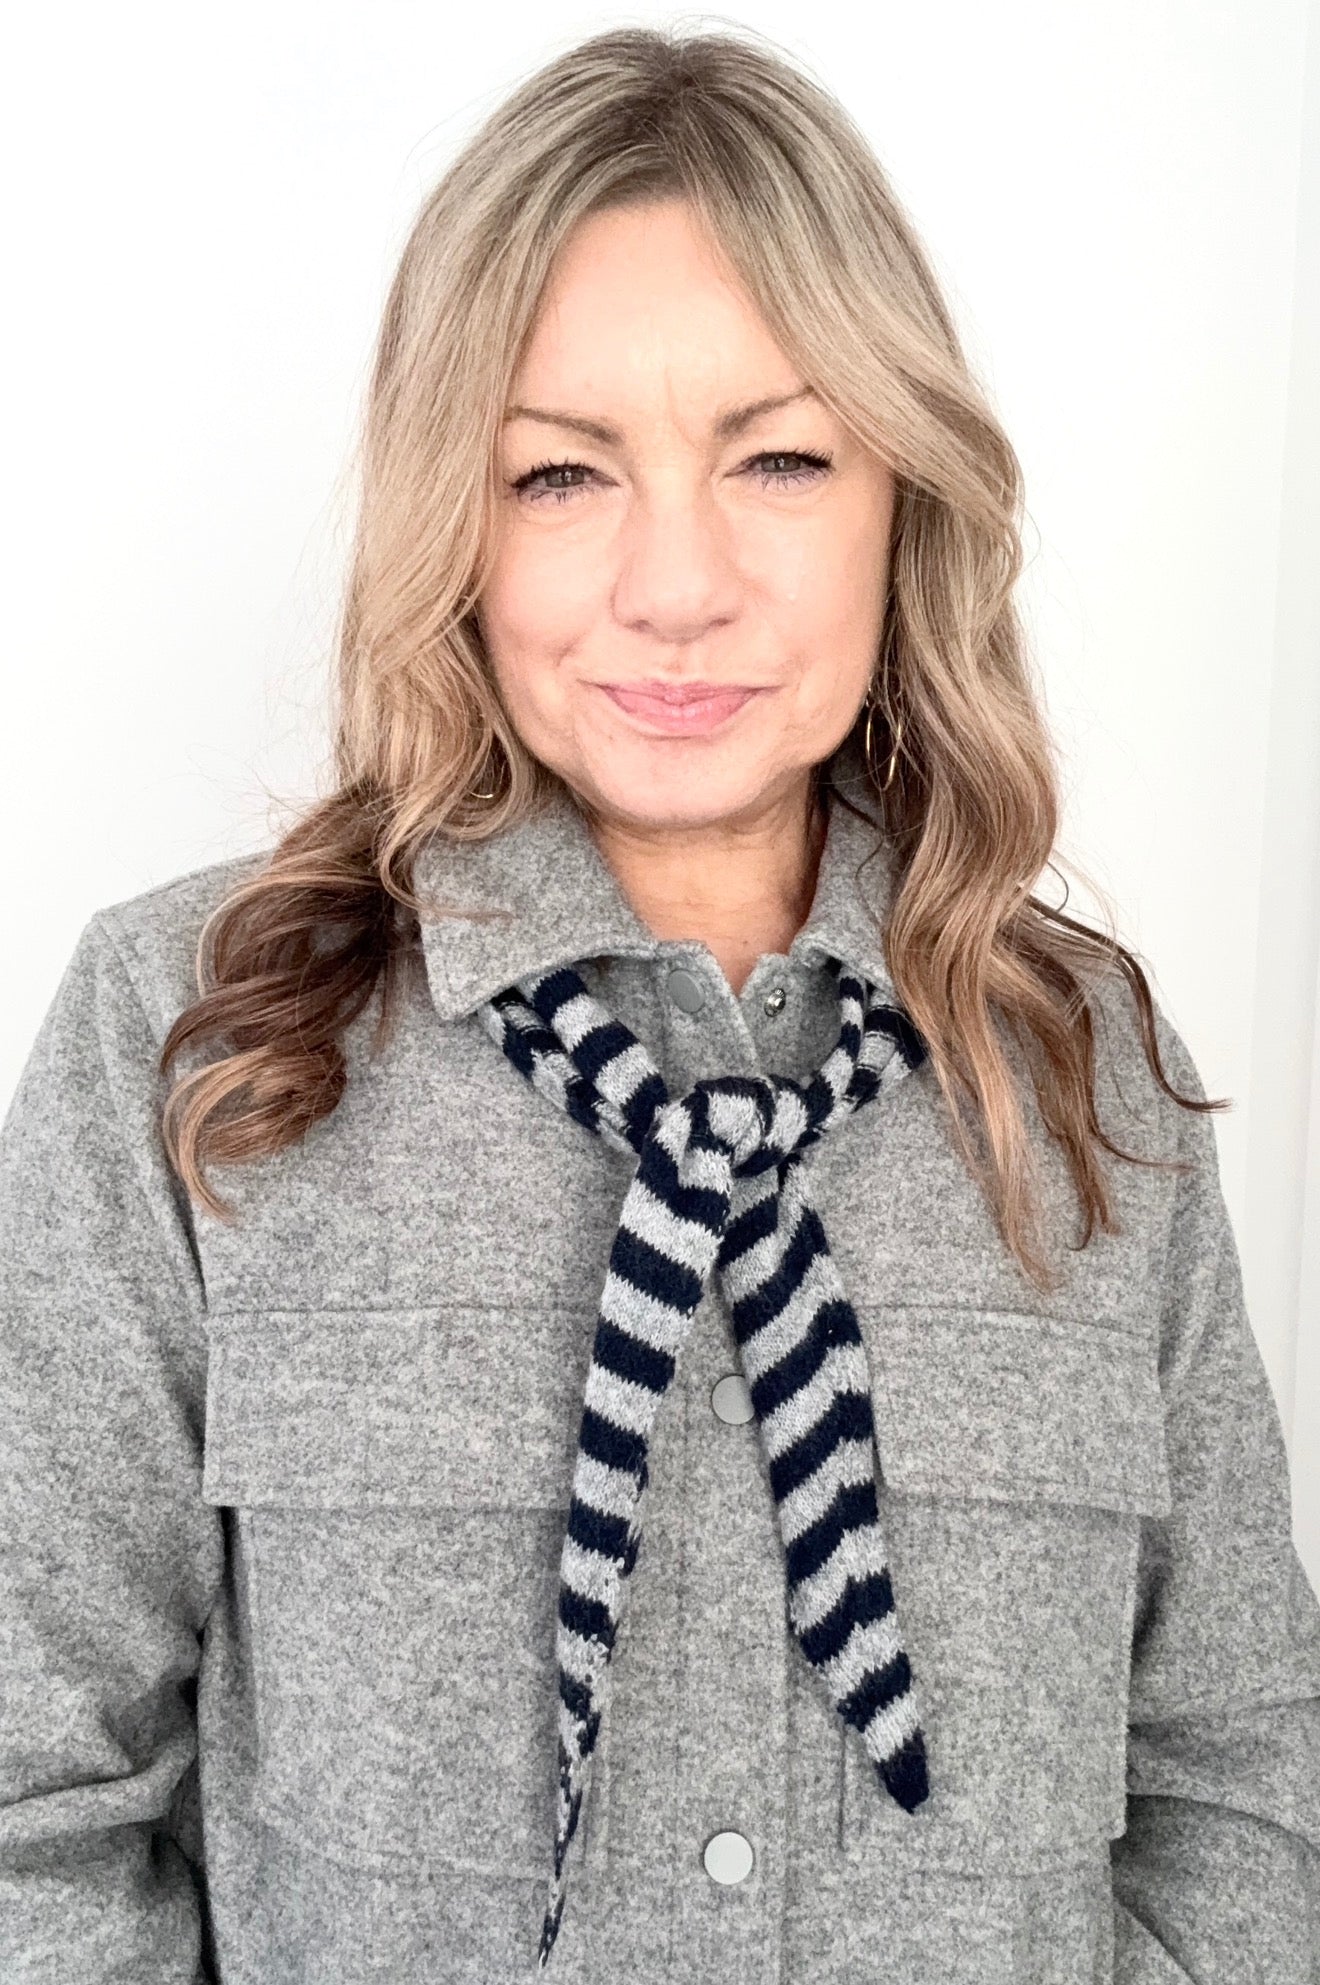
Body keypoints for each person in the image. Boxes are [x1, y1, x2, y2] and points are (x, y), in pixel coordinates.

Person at [1, 22, 1317, 1985]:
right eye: (560, 472)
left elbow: (1234, 1780)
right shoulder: (189, 1041)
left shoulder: (1090, 1073)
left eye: (780, 457)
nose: (677, 584)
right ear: (455, 513)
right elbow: (37, 1806)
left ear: (903, 499)